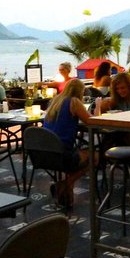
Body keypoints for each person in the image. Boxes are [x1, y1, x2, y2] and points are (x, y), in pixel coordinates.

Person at [42, 79, 93, 207]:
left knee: (77, 154)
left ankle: (66, 192)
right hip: (62, 154)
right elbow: (92, 121)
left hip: (43, 153)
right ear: (80, 92)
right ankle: (66, 184)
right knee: (95, 156)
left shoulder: (55, 101)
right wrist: (98, 106)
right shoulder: (74, 102)